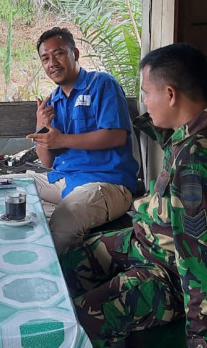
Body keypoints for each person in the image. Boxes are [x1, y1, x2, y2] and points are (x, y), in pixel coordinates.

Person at [59, 43, 207, 348]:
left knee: (77, 320)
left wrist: (202, 340)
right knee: (67, 262)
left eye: (146, 92)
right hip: (146, 243)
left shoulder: (198, 164)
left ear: (170, 94)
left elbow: (201, 259)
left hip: (171, 276)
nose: (144, 102)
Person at [22, 27, 139, 254]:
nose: (52, 63)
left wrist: (62, 139)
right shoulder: (53, 101)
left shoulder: (101, 84)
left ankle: (58, 282)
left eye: (59, 54)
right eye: (45, 58)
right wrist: (40, 124)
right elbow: (46, 161)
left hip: (107, 182)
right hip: (66, 179)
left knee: (66, 218)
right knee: (10, 187)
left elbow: (116, 135)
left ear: (75, 53)